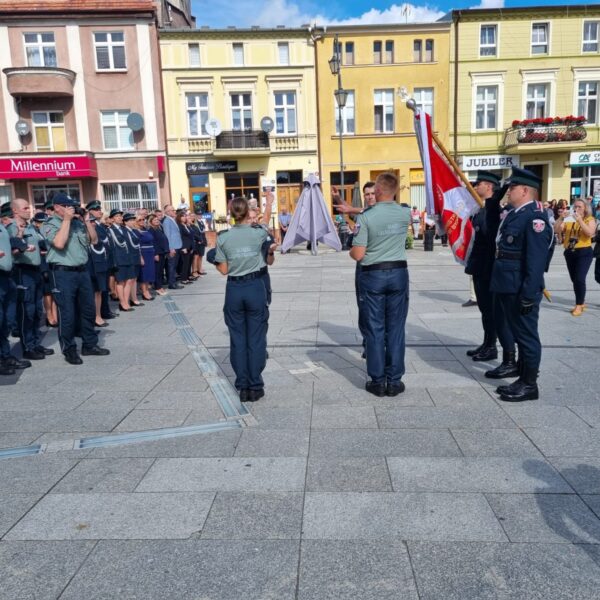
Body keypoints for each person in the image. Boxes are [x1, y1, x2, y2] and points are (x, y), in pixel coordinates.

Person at [490, 167, 552, 402]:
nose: (508, 191)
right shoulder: (517, 213)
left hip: (520, 287)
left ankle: (529, 384)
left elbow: (535, 261)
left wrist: (528, 293)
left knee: (526, 336)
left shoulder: (534, 218)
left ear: (524, 190)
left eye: (512, 187)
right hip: (508, 284)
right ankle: (522, 377)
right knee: (519, 333)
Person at [349, 172, 411, 397]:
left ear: (377, 191)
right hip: (398, 273)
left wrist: (351, 249)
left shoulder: (366, 217)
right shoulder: (405, 213)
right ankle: (394, 381)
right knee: (396, 328)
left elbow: (358, 254)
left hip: (373, 275)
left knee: (375, 328)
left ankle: (377, 381)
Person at [210, 196, 271, 402]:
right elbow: (266, 226)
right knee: (256, 338)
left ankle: (243, 386)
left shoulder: (223, 237)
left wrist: (214, 262)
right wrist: (268, 203)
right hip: (255, 287)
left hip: (234, 288)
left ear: (231, 213)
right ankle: (255, 384)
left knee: (237, 339)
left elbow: (224, 270)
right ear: (247, 212)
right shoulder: (258, 234)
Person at [41, 193, 110, 365]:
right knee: (67, 312)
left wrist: (86, 220)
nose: (71, 209)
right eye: (67, 206)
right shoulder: (49, 224)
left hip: (82, 271)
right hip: (62, 273)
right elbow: (59, 243)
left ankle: (89, 344)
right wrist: (66, 220)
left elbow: (94, 241)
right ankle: (69, 349)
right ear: (57, 207)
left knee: (88, 309)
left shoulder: (78, 223)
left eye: (73, 206)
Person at [464, 171, 504, 362]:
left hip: (488, 267)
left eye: (478, 183)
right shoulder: (481, 208)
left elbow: (489, 235)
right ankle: (487, 343)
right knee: (484, 309)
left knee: (490, 309)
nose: (475, 186)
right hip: (479, 265)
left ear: (488, 186)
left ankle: (492, 347)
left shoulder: (492, 209)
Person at [333, 181, 377, 357]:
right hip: (363, 268)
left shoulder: (380, 213)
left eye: (372, 193)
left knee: (377, 308)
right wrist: (337, 197)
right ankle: (368, 342)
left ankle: (377, 342)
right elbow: (350, 209)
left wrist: (351, 209)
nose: (370, 196)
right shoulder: (363, 215)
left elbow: (354, 209)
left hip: (377, 268)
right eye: (367, 194)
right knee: (364, 307)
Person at [9, 198, 54, 359]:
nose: (29, 210)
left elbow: (42, 244)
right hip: (22, 272)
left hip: (36, 270)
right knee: (26, 311)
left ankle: (35, 343)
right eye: (25, 208)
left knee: (36, 310)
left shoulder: (31, 227)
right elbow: (14, 247)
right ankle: (27, 346)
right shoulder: (12, 227)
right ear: (15, 211)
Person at [554, 198, 596, 316]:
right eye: (575, 207)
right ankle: (581, 300)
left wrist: (580, 221)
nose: (576, 209)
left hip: (584, 252)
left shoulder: (589, 219)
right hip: (570, 251)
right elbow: (556, 229)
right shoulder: (568, 219)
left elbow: (590, 233)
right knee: (575, 280)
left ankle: (579, 304)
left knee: (579, 278)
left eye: (579, 207)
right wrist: (561, 218)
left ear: (585, 209)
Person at [84, 200, 111, 327]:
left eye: (99, 209)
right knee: (94, 291)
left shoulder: (100, 225)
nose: (99, 211)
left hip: (100, 261)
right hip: (92, 262)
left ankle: (99, 314)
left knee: (100, 290)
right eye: (96, 209)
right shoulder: (86, 225)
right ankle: (95, 316)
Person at [162, 205, 183, 289]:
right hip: (173, 247)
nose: (174, 211)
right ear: (167, 212)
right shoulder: (167, 221)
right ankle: (172, 283)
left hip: (177, 246)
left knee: (174, 266)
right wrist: (171, 248)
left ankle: (173, 282)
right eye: (172, 210)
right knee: (172, 266)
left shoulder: (172, 220)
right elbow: (167, 236)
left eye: (173, 210)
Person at [148, 214, 169, 296]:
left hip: (162, 252)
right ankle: (158, 287)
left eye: (157, 219)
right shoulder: (151, 230)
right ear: (150, 222)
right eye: (154, 220)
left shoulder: (159, 228)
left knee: (160, 271)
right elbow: (153, 243)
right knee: (157, 271)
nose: (157, 221)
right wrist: (155, 254)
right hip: (157, 253)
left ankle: (160, 286)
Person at [137, 215, 156, 301]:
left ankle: (147, 289)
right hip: (143, 253)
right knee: (144, 274)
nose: (142, 221)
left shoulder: (145, 229)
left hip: (150, 253)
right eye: (139, 220)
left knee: (149, 273)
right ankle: (144, 291)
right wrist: (140, 257)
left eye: (143, 219)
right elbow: (137, 245)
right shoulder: (136, 231)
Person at [177, 211, 194, 284]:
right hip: (184, 247)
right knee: (185, 264)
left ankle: (187, 277)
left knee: (188, 263)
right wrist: (183, 247)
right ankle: (183, 279)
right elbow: (180, 237)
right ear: (179, 217)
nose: (184, 217)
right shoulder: (179, 226)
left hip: (189, 246)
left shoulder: (185, 225)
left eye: (185, 216)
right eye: (182, 216)